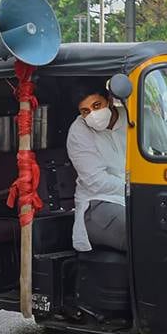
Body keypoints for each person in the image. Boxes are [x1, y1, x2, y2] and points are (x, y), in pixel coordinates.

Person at [67, 79, 127, 253]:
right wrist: (134, 190)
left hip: (141, 198)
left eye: (97, 105)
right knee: (142, 230)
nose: (93, 114)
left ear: (108, 99)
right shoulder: (78, 132)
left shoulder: (136, 118)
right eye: (85, 111)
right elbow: (96, 182)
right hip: (99, 204)